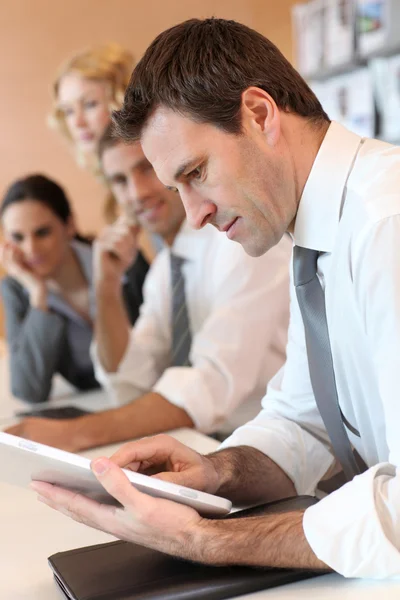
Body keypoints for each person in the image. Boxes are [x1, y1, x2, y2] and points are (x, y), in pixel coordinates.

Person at [31, 16, 400, 580]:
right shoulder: (314, 233)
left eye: (196, 173)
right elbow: (304, 425)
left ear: (259, 114)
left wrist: (204, 540)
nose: (195, 214)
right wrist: (213, 472)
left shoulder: (386, 222)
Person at [7, 127, 291, 450]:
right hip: (210, 443)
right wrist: (106, 288)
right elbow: (130, 382)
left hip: (269, 451)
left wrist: (75, 433)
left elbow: (208, 385)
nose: (136, 192)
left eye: (146, 169)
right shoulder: (165, 269)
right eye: (120, 181)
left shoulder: (239, 243)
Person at [50, 43, 150, 325]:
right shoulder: (110, 189)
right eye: (68, 111)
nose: (78, 122)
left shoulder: (155, 173)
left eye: (90, 105)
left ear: (120, 99)